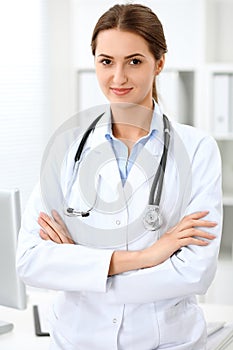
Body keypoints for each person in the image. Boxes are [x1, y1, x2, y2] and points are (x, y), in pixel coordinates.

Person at [16, 3, 222, 350]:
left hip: (166, 342)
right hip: (77, 339)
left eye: (135, 61)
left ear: (159, 63)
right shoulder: (68, 149)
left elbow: (194, 272)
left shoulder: (198, 149)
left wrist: (80, 266)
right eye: (106, 61)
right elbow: (30, 261)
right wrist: (149, 256)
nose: (118, 78)